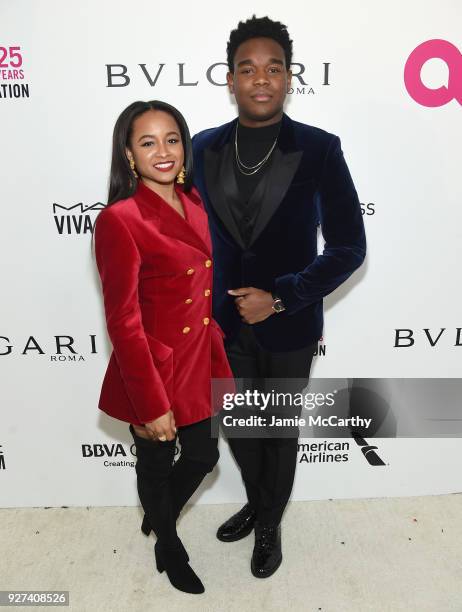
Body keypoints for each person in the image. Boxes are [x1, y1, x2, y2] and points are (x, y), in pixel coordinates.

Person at [192, 16, 366, 578]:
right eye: (248, 68)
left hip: (288, 325)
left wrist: (282, 297)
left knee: (279, 430)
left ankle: (270, 523)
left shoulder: (318, 149)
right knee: (242, 426)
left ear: (289, 77)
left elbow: (347, 246)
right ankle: (259, 501)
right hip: (220, 323)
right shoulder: (201, 148)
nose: (260, 79)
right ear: (231, 78)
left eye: (273, 68)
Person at [94, 100, 233, 594]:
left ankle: (159, 517)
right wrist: (152, 404)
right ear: (128, 155)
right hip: (151, 367)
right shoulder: (120, 219)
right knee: (155, 461)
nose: (163, 151)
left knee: (203, 456)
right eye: (147, 142)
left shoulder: (192, 200)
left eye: (172, 139)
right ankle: (169, 546)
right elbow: (124, 323)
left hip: (197, 362)